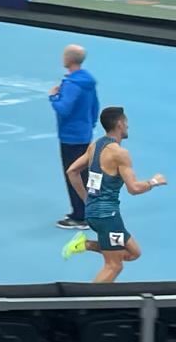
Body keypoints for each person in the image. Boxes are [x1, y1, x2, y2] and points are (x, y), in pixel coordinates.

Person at [62, 107, 165, 282]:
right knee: (114, 265)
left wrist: (87, 200)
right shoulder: (120, 154)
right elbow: (133, 188)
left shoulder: (95, 146)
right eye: (126, 122)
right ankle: (89, 306)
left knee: (133, 253)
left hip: (95, 213)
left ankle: (85, 244)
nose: (128, 126)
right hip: (107, 218)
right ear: (120, 124)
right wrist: (154, 182)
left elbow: (72, 171)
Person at [50, 44, 99, 229]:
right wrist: (89, 125)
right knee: (85, 174)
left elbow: (63, 108)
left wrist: (53, 97)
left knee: (73, 174)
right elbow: (95, 108)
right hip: (85, 134)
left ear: (68, 59)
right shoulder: (88, 82)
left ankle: (80, 216)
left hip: (70, 137)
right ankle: (90, 211)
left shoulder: (71, 84)